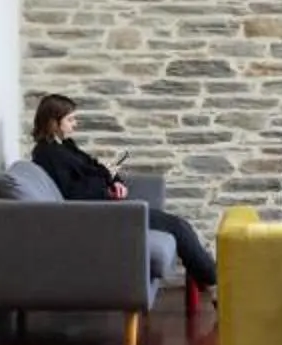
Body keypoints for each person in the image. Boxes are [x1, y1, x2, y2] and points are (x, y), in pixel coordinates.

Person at [30, 93, 218, 292]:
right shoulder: (47, 155)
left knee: (177, 224)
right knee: (178, 226)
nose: (75, 124)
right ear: (53, 122)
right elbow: (72, 192)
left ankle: (209, 276)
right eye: (70, 119)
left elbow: (95, 167)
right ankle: (215, 279)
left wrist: (115, 181)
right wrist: (107, 188)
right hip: (100, 215)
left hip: (106, 206)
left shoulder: (66, 145)